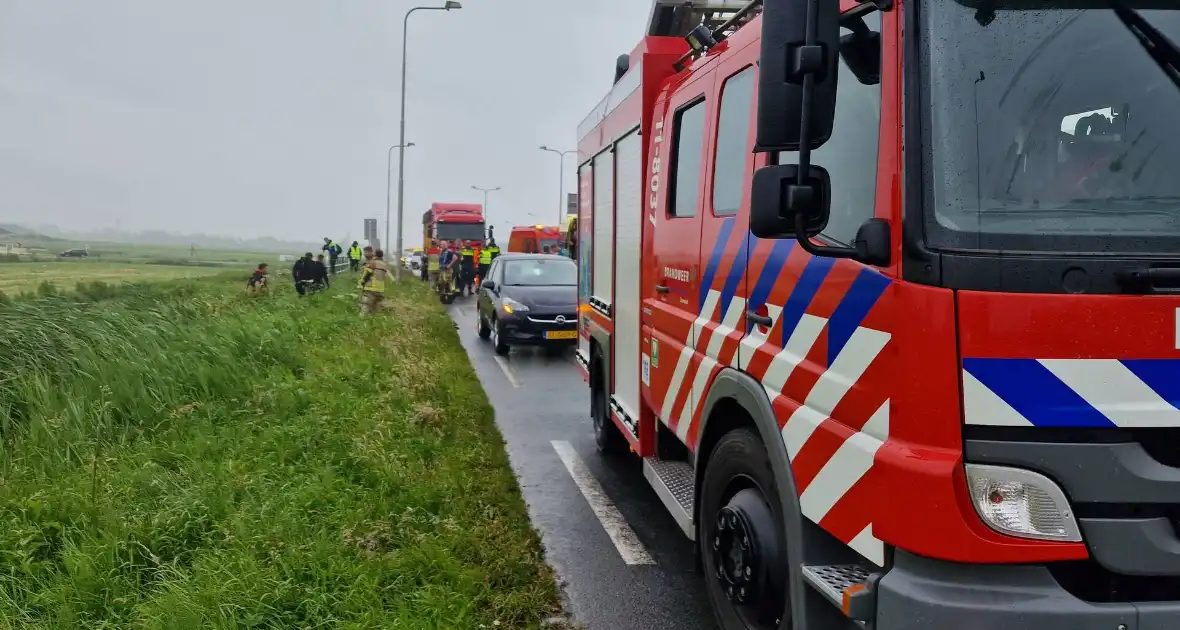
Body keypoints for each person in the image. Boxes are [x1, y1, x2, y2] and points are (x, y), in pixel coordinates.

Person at [358, 249, 390, 315]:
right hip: (380, 289)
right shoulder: (384, 264)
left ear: (375, 255)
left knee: (365, 306)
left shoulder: (372, 262)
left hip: (371, 287)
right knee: (375, 308)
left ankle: (361, 320)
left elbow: (366, 274)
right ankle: (376, 321)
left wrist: (361, 283)